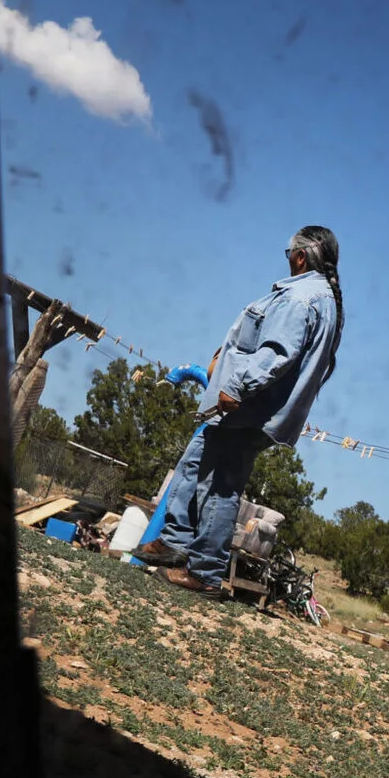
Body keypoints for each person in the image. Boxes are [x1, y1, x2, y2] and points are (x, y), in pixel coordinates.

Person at [130, 226, 343, 593]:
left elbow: (277, 352)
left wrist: (237, 385)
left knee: (221, 484)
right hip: (253, 407)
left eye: (288, 252)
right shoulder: (320, 299)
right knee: (198, 460)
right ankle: (176, 542)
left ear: (300, 257)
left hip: (252, 406)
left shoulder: (300, 298)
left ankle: (206, 573)